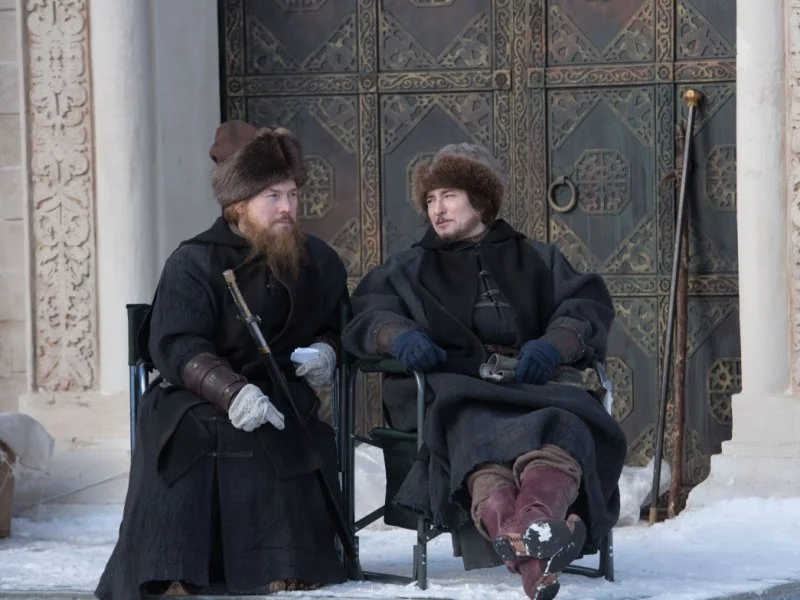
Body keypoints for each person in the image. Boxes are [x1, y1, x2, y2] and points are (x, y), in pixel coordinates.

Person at [342, 143, 627, 600]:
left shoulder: (538, 257)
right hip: (453, 390)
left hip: (533, 385)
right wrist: (398, 336)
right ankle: (538, 534)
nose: (437, 209)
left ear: (480, 201)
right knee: (474, 427)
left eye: (449, 196)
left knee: (567, 424)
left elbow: (585, 306)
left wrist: (553, 346)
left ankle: (527, 538)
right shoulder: (407, 267)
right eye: (430, 199)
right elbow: (370, 314)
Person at [95, 121, 349, 599]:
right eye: (272, 196)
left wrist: (327, 350)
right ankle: (174, 569)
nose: (287, 207)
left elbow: (338, 325)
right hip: (195, 393)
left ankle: (286, 564)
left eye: (292, 195)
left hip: (280, 390)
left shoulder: (317, 259)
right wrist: (230, 391)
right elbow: (177, 343)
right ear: (238, 204)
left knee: (283, 423)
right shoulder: (193, 261)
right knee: (197, 430)